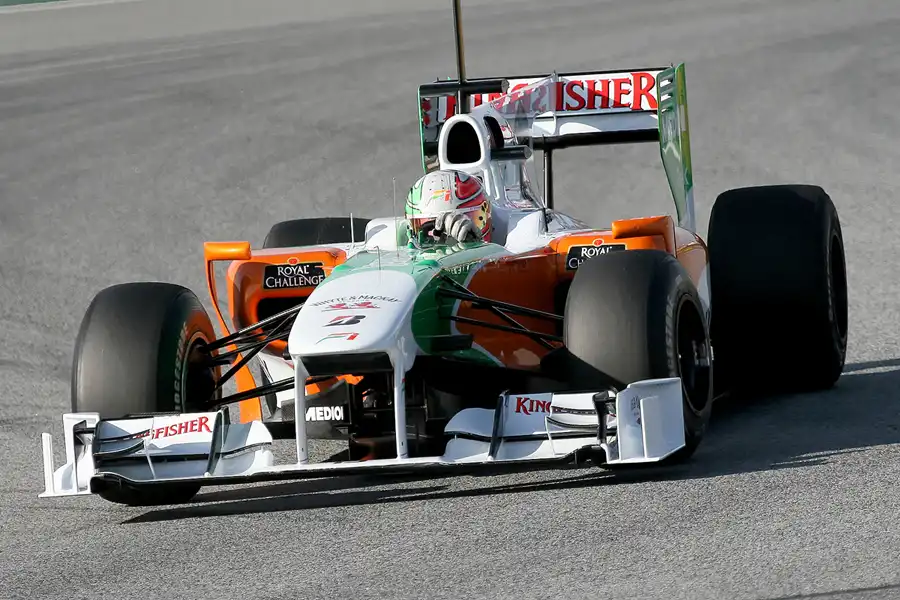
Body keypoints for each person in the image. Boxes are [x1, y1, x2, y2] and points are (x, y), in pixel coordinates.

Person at [405, 169, 492, 246]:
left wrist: (471, 240)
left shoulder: (505, 243)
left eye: (471, 216)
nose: (448, 241)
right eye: (432, 225)